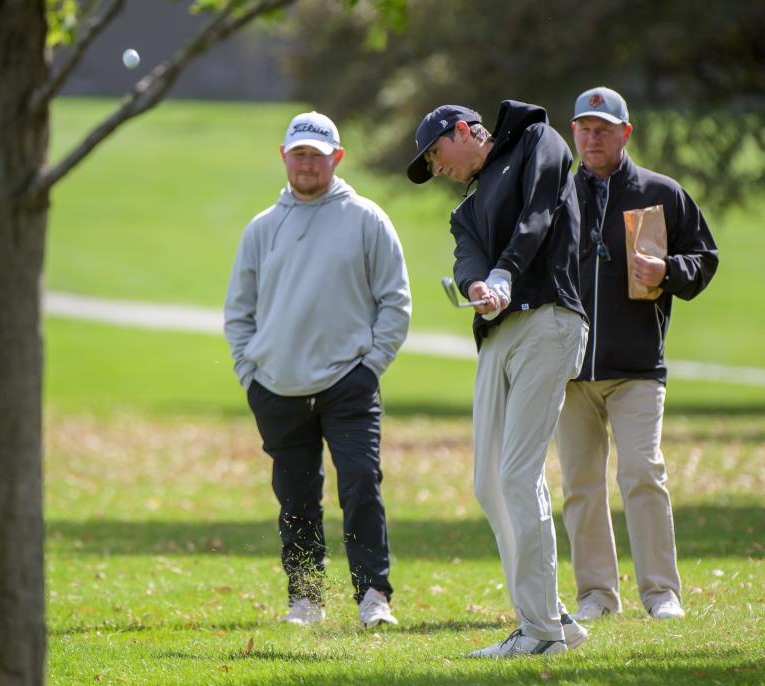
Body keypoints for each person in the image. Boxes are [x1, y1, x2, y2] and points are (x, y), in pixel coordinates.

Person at [406, 101, 589, 657]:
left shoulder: (539, 141)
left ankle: (540, 633)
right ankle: (552, 613)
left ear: (463, 131)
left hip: (549, 318)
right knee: (489, 482)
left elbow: (539, 214)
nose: (439, 169)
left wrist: (505, 274)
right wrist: (476, 289)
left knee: (517, 475)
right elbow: (467, 260)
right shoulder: (464, 210)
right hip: (498, 333)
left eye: (437, 155)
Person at [224, 111, 411, 628]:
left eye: (317, 154)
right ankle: (306, 598)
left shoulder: (367, 218)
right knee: (296, 497)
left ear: (337, 158)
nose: (308, 164)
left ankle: (373, 595)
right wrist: (250, 373)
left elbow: (395, 303)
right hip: (277, 386)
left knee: (360, 485)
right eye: (299, 154)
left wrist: (370, 366)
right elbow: (238, 313)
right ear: (285, 157)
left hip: (348, 382)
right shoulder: (263, 228)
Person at [556, 86, 719, 622]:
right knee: (580, 486)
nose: (592, 137)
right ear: (573, 132)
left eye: (603, 128)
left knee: (642, 473)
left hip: (638, 369)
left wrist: (668, 272)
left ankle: (660, 594)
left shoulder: (661, 192)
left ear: (625, 133)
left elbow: (704, 258)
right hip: (569, 370)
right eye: (584, 127)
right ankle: (596, 597)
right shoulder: (556, 193)